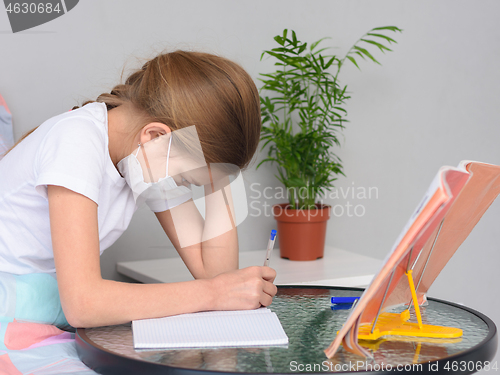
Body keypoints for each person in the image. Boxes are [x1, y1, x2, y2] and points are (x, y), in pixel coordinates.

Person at [0, 50, 277, 337]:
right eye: (185, 179)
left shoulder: (146, 151)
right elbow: (83, 303)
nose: (181, 185)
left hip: (44, 312)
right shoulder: (76, 142)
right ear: (156, 137)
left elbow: (216, 275)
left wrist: (221, 176)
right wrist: (213, 293)